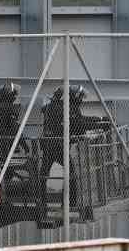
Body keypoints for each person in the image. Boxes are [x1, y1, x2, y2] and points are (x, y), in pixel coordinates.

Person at [39, 85, 109, 223]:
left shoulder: (54, 106)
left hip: (48, 144)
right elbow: (79, 124)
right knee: (71, 174)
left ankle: (41, 201)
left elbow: (79, 121)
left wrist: (99, 120)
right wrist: (100, 122)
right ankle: (70, 204)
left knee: (43, 173)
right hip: (58, 146)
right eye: (80, 97)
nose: (81, 100)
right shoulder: (67, 108)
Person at [0, 82, 29, 155]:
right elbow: (15, 128)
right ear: (10, 95)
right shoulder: (11, 108)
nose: (15, 97)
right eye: (14, 95)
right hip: (6, 145)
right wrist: (25, 146)